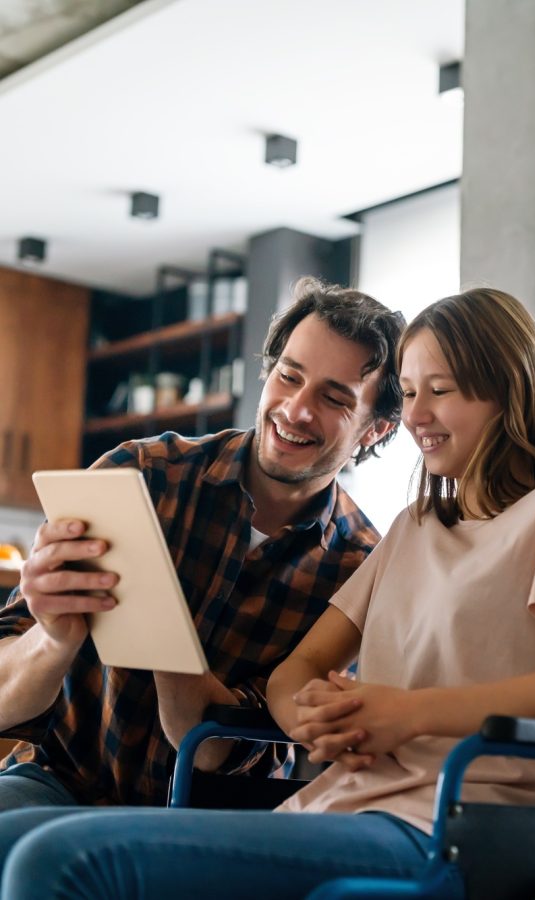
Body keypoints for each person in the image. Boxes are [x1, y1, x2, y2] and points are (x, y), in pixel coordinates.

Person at [0, 288, 535, 899]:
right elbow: (299, 678)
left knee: (56, 860)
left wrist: (408, 711)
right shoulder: (409, 531)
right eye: (288, 376)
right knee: (39, 847)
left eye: (440, 391)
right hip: (320, 799)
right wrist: (321, 716)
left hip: (434, 817)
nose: (418, 416)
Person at [0, 277, 402, 810]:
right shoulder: (140, 474)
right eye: (288, 376)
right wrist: (52, 638)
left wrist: (162, 630)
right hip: (57, 781)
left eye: (333, 399)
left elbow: (223, 752)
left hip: (204, 817)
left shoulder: (362, 567)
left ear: (374, 430)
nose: (296, 410)